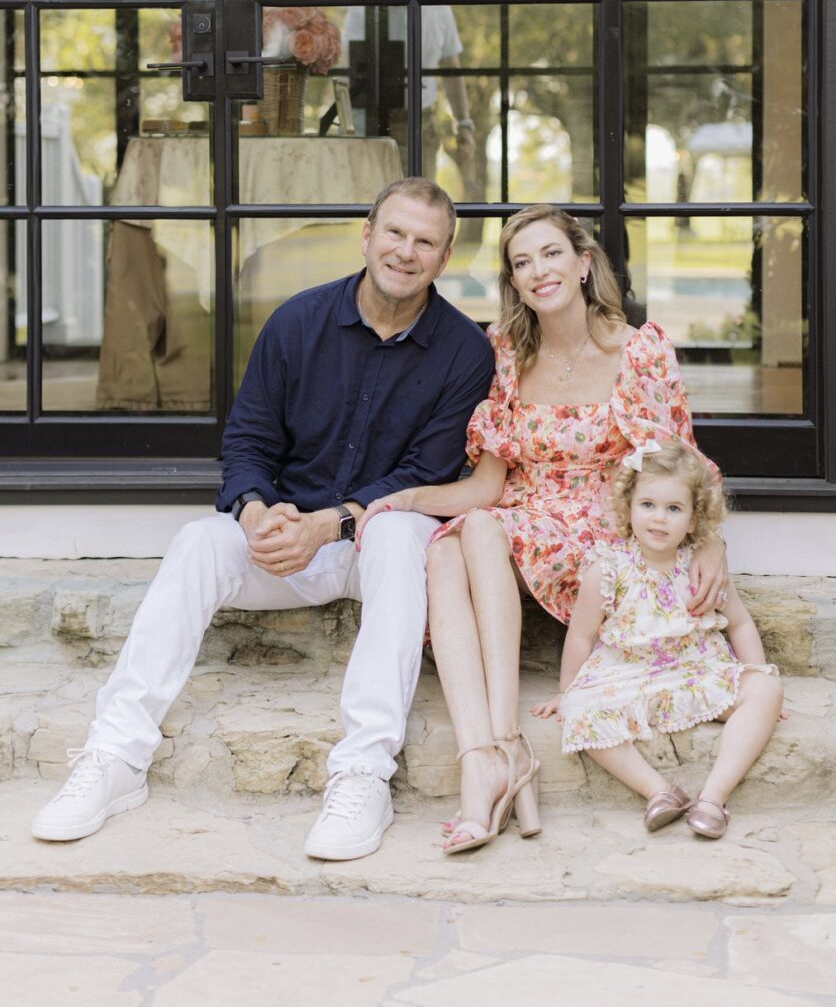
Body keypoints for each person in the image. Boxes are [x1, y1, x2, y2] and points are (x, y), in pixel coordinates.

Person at [31, 178, 495, 861]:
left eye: (425, 241)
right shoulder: (297, 322)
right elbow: (248, 439)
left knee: (401, 533)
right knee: (198, 541)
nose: (405, 251)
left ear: (445, 257)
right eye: (395, 232)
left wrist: (330, 524)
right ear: (366, 235)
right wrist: (253, 512)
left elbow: (425, 473)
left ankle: (363, 773)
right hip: (284, 541)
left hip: (371, 544)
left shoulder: (464, 351)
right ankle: (115, 757)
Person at [354, 204, 728, 853]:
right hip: (524, 521)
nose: (538, 271)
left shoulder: (639, 350)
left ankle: (501, 752)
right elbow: (488, 487)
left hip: (604, 533)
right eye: (521, 263)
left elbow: (681, 465)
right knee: (450, 545)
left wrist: (711, 541)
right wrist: (405, 497)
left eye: (551, 254)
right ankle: (491, 753)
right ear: (514, 282)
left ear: (583, 264)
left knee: (475, 533)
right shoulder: (506, 350)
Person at [531, 438, 783, 840]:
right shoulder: (608, 568)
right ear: (628, 507)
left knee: (766, 689)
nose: (659, 519)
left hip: (695, 669)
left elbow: (739, 623)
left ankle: (713, 798)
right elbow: (580, 635)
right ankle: (660, 792)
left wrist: (755, 672)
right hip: (627, 675)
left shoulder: (701, 567)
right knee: (579, 710)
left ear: (694, 518)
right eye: (648, 505)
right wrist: (566, 691)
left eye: (674, 509)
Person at [342, 0, 476, 182]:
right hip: (370, 123)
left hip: (420, 126)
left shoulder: (439, 10)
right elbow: (347, 69)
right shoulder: (362, 9)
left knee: (418, 194)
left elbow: (451, 71)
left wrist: (464, 124)